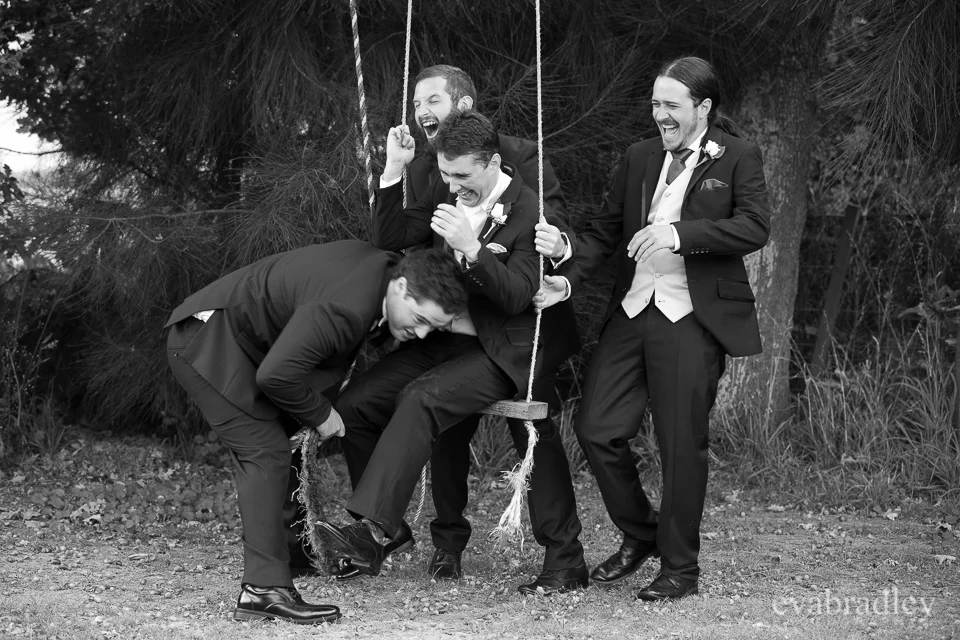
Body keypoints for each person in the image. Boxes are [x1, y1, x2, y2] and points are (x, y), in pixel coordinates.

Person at [331, 64, 587, 595]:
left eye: (462, 178)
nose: (451, 188)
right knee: (357, 405)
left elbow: (522, 287)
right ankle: (394, 528)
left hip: (510, 339)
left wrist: (480, 249)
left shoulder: (525, 193)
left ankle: (563, 556)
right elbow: (394, 238)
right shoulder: (441, 176)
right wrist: (394, 172)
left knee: (500, 421)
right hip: (450, 330)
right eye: (446, 178)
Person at [535, 56, 771, 601]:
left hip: (692, 316)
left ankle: (680, 570)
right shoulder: (640, 156)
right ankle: (642, 534)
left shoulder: (737, 156)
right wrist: (565, 275)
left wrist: (679, 236)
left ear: (703, 108)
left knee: (680, 444)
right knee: (596, 428)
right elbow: (604, 230)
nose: (660, 115)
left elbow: (755, 225)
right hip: (634, 311)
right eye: (656, 104)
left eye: (672, 105)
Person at [165, 241, 467, 624]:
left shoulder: (386, 272)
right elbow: (275, 375)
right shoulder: (347, 306)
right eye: (421, 319)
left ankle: (294, 554)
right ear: (403, 287)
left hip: (242, 344)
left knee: (282, 441)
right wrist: (322, 414)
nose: (422, 334)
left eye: (433, 328)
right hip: (206, 342)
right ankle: (263, 590)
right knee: (264, 451)